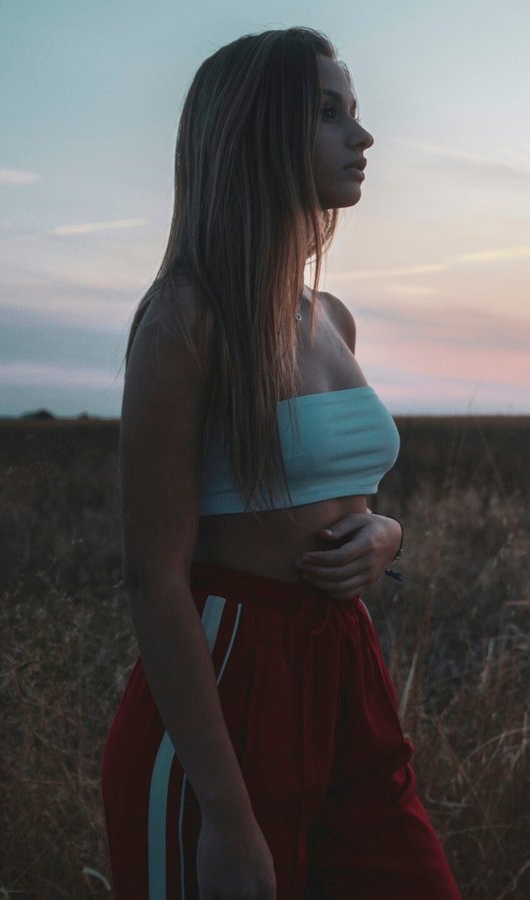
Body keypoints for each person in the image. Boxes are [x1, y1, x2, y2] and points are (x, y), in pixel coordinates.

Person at [99, 27, 462, 900]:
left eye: (356, 112)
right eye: (329, 114)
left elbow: (343, 493)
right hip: (227, 682)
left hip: (344, 671)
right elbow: (155, 580)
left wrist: (384, 532)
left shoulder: (331, 317)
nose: (362, 137)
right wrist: (225, 815)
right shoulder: (185, 319)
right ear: (260, 134)